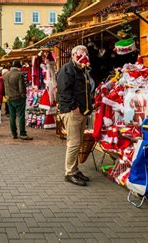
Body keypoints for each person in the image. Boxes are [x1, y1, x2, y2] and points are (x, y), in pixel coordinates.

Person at [57, 45, 93, 187]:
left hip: (82, 111)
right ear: (73, 55)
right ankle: (69, 173)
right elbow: (63, 91)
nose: (84, 56)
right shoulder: (67, 69)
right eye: (81, 53)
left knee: (78, 142)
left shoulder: (83, 69)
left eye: (86, 53)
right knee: (74, 143)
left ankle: (75, 169)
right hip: (73, 112)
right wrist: (74, 107)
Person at [3, 61, 33, 140]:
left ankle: (14, 134)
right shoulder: (19, 74)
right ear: (18, 67)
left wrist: (6, 96)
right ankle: (22, 133)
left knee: (12, 116)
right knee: (21, 116)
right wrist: (23, 96)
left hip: (9, 98)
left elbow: (4, 87)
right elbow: (21, 88)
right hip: (18, 98)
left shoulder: (5, 75)